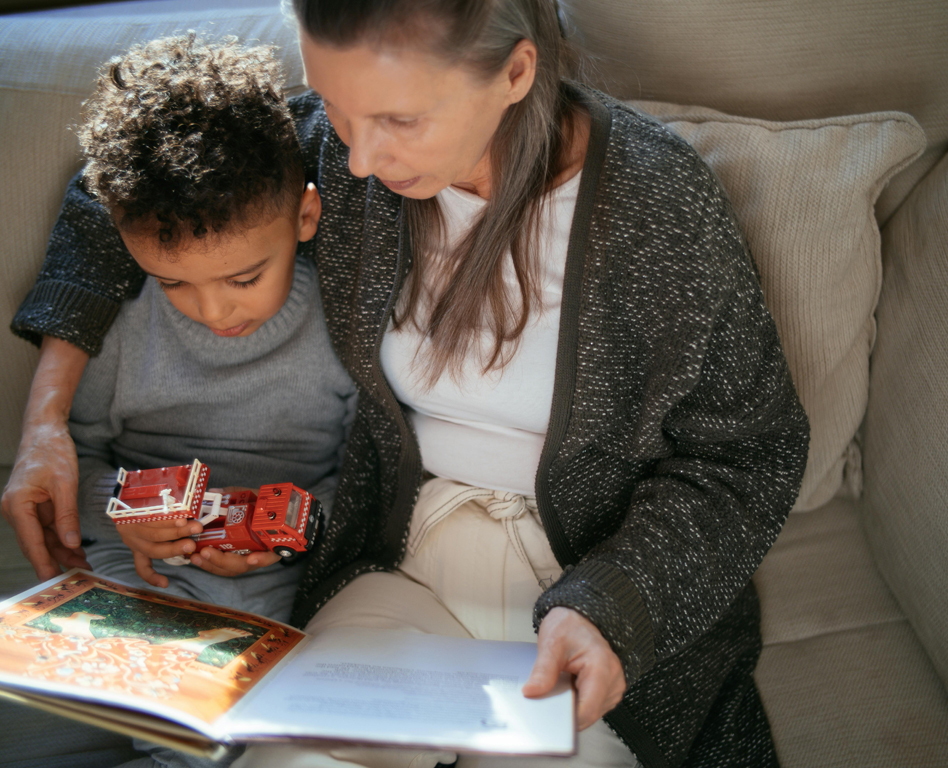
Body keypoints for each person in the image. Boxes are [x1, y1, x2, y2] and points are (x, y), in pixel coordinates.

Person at [3, 1, 810, 766]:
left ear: (516, 72)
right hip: (398, 561)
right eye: (336, 108)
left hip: (586, 576)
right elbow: (110, 193)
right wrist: (44, 427)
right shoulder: (341, 158)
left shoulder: (659, 204)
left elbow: (750, 457)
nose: (355, 158)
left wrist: (616, 604)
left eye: (398, 121)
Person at [28, 33, 357, 768]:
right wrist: (124, 509)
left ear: (305, 218)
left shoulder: (343, 326)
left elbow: (367, 467)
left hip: (289, 555)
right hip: (143, 557)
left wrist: (300, 526)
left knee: (287, 707)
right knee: (177, 703)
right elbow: (76, 460)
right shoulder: (120, 330)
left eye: (244, 279)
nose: (212, 310)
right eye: (175, 282)